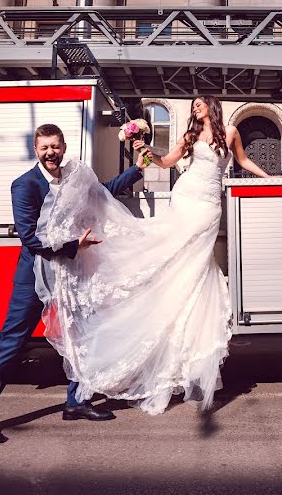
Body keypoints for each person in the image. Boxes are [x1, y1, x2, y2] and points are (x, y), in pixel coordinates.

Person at [34, 96, 268, 416]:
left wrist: (267, 178)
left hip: (210, 205)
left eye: (199, 105)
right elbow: (167, 162)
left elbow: (242, 161)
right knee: (179, 262)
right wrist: (146, 152)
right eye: (193, 106)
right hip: (186, 199)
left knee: (197, 269)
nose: (195, 109)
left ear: (212, 106)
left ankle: (190, 351)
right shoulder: (189, 136)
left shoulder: (230, 132)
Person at [0, 123, 147, 445]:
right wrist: (75, 245)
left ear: (63, 147)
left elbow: (103, 192)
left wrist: (136, 170)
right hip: (35, 277)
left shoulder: (73, 178)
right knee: (11, 344)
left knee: (84, 335)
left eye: (55, 147)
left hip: (71, 274)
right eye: (44, 147)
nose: (51, 153)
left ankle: (77, 401)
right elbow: (30, 237)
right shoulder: (24, 185)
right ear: (36, 149)